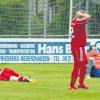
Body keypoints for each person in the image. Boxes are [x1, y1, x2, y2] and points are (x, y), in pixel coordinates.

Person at [69, 10, 91, 90]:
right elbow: (88, 17)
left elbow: (77, 18)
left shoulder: (74, 21)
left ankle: (81, 84)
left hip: (77, 46)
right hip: (78, 47)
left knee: (85, 64)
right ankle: (71, 86)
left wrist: (78, 14)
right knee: (78, 66)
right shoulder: (79, 23)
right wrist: (82, 14)